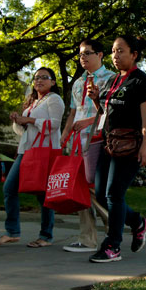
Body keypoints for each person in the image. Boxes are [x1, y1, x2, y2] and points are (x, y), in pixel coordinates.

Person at [87, 35, 146, 263]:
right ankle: (138, 222)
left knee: (114, 194)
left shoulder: (141, 82)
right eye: (114, 51)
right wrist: (97, 100)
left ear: (134, 54)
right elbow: (106, 113)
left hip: (129, 147)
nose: (115, 56)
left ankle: (112, 245)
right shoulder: (112, 81)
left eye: (121, 51)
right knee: (101, 195)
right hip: (108, 145)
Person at [0, 67, 64, 247]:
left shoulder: (54, 99)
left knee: (44, 194)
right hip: (26, 151)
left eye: (44, 77)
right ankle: (12, 231)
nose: (39, 80)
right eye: (36, 78)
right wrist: (17, 120)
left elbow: (54, 126)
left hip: (45, 152)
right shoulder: (32, 103)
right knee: (9, 188)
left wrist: (30, 120)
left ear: (53, 82)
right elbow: (22, 131)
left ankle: (46, 235)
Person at [60, 38, 115, 253]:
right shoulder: (77, 83)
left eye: (87, 53)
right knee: (80, 189)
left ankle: (116, 226)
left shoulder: (112, 79)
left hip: (102, 141)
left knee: (96, 188)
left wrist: (90, 122)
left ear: (100, 55)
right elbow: (73, 114)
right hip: (77, 144)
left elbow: (113, 113)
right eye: (80, 54)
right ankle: (88, 238)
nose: (83, 58)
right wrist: (63, 139)